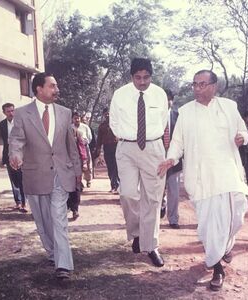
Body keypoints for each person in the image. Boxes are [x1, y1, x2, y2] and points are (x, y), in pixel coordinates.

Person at [158, 70, 248, 291]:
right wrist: (171, 158)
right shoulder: (186, 112)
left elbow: (242, 129)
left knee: (237, 214)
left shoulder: (229, 107)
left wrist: (242, 137)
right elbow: (178, 140)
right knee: (209, 224)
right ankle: (217, 266)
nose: (197, 89)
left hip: (227, 172)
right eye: (195, 84)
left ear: (214, 86)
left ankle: (225, 246)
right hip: (201, 177)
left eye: (202, 84)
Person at [9, 72, 82, 279]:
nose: (56, 89)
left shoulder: (65, 112)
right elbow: (16, 140)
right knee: (43, 220)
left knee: (59, 218)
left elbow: (71, 145)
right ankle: (52, 252)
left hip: (61, 172)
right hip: (36, 174)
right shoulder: (23, 114)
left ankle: (63, 266)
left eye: (56, 85)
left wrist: (77, 172)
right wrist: (15, 156)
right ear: (39, 89)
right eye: (52, 85)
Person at [110, 58, 167, 267]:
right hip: (126, 148)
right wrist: (126, 138)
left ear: (151, 76)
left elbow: (163, 121)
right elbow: (113, 122)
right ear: (131, 76)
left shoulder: (159, 94)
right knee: (127, 193)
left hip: (153, 148)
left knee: (152, 198)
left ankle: (150, 245)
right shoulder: (120, 94)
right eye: (138, 78)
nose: (142, 82)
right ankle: (136, 233)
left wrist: (151, 139)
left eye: (146, 77)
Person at [161, 89, 183, 229]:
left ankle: (173, 219)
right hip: (158, 158)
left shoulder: (178, 116)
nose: (167, 101)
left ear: (172, 101)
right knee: (157, 189)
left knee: (174, 191)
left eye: (169, 99)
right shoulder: (153, 117)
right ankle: (160, 208)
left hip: (174, 160)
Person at [0, 103, 26, 212]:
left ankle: (25, 203)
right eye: (8, 111)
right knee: (13, 179)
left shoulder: (21, 122)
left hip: (21, 154)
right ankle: (18, 202)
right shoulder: (1, 124)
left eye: (12, 110)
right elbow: (5, 142)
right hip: (9, 154)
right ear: (4, 112)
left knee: (22, 179)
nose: (11, 113)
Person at [95, 107, 119, 193]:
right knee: (110, 166)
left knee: (117, 166)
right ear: (103, 115)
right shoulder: (102, 126)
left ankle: (117, 185)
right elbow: (99, 139)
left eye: (109, 113)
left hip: (116, 147)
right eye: (106, 113)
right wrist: (98, 149)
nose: (107, 115)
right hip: (107, 147)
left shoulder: (117, 124)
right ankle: (113, 185)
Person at [72, 112, 93, 188]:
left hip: (84, 147)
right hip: (74, 149)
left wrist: (84, 142)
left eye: (78, 118)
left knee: (87, 164)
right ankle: (79, 182)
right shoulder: (70, 127)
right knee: (76, 165)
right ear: (72, 119)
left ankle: (88, 180)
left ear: (80, 119)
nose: (77, 120)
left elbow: (90, 137)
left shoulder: (85, 127)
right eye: (75, 118)